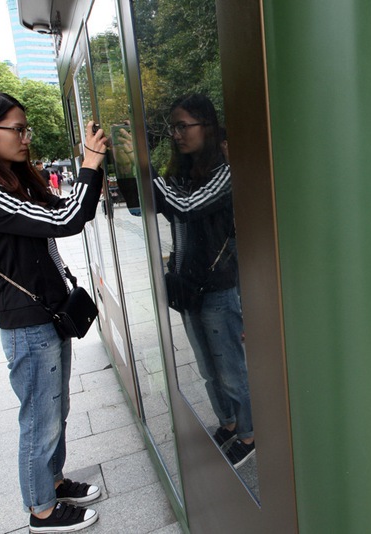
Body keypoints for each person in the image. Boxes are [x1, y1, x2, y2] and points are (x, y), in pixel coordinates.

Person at [0, 90, 107, 533]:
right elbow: (66, 221)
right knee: (39, 420)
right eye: (16, 129)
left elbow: (64, 210)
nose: (25, 138)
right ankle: (41, 510)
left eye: (26, 128)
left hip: (49, 313)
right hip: (28, 323)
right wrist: (90, 164)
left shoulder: (9, 180)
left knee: (53, 411)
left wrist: (89, 172)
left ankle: (54, 481)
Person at [152, 94, 255, 468]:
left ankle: (249, 432)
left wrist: (147, 175)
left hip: (218, 287)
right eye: (173, 128)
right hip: (188, 286)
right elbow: (146, 203)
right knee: (207, 368)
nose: (177, 134)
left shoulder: (227, 171)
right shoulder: (181, 175)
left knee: (230, 368)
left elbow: (187, 207)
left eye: (184, 126)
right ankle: (228, 423)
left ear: (206, 127)